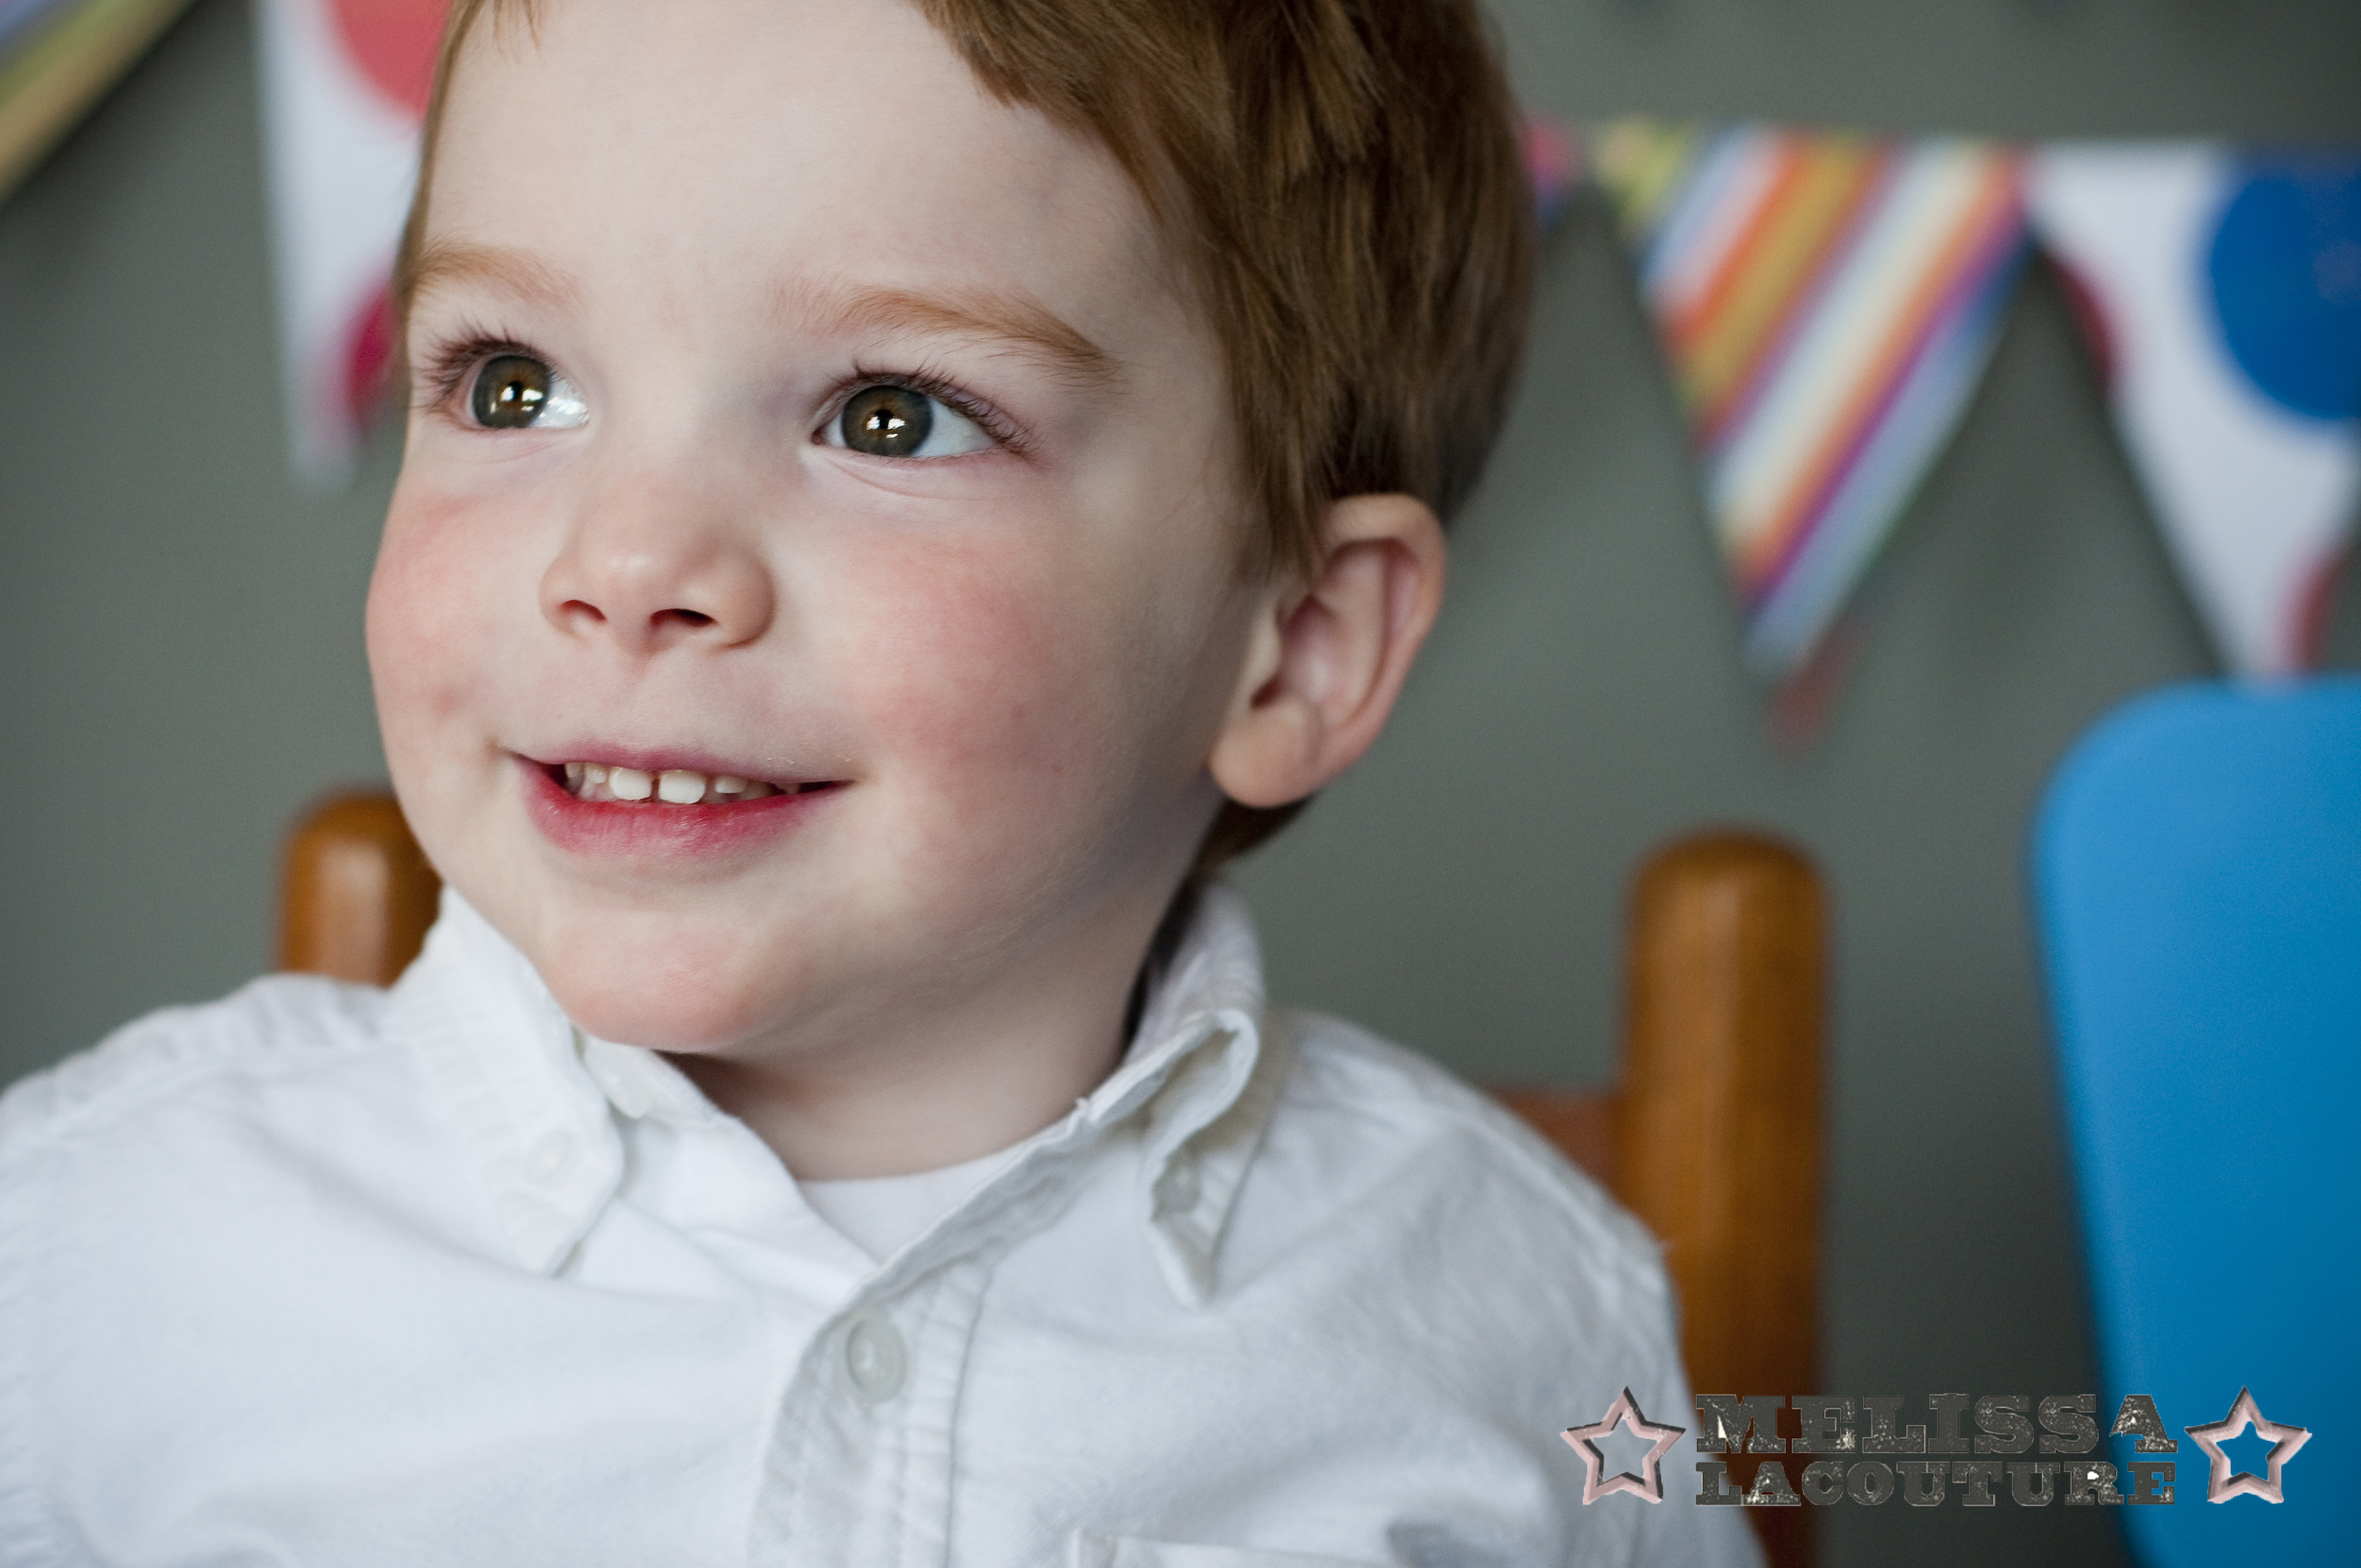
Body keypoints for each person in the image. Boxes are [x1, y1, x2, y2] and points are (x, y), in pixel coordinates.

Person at [0, 2, 1758, 1563]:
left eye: (889, 417)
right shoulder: (93, 1262)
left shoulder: (1517, 1329)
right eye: (513, 384)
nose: (629, 562)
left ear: (1292, 646)